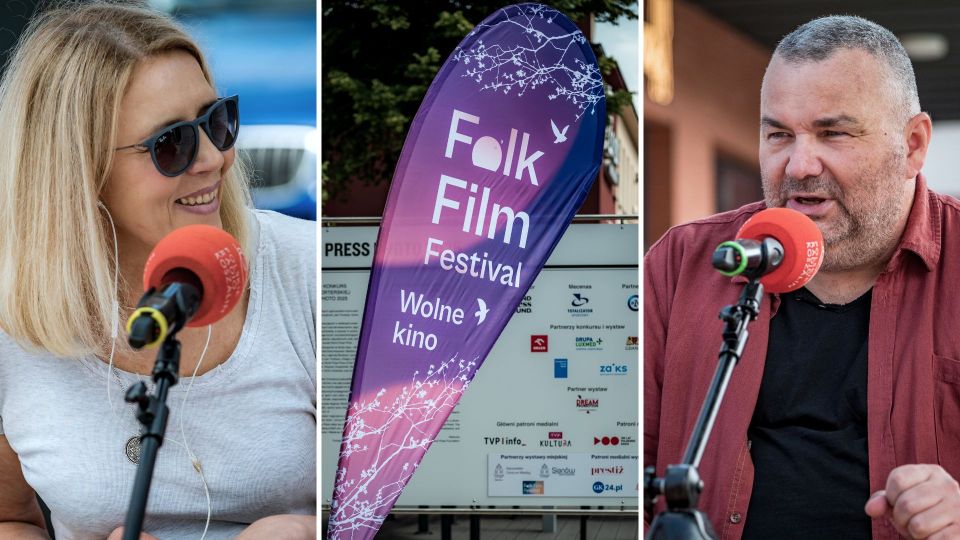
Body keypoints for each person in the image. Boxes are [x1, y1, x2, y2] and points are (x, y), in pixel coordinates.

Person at [0, 2, 317, 538]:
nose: (214, 157)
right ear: (79, 170)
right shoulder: (14, 319)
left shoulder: (308, 271)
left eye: (217, 121)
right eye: (171, 143)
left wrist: (311, 531)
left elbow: (398, 492)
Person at [645, 15, 960, 540]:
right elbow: (626, 468)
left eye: (832, 133)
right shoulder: (684, 263)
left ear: (912, 144)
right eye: (779, 134)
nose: (799, 165)